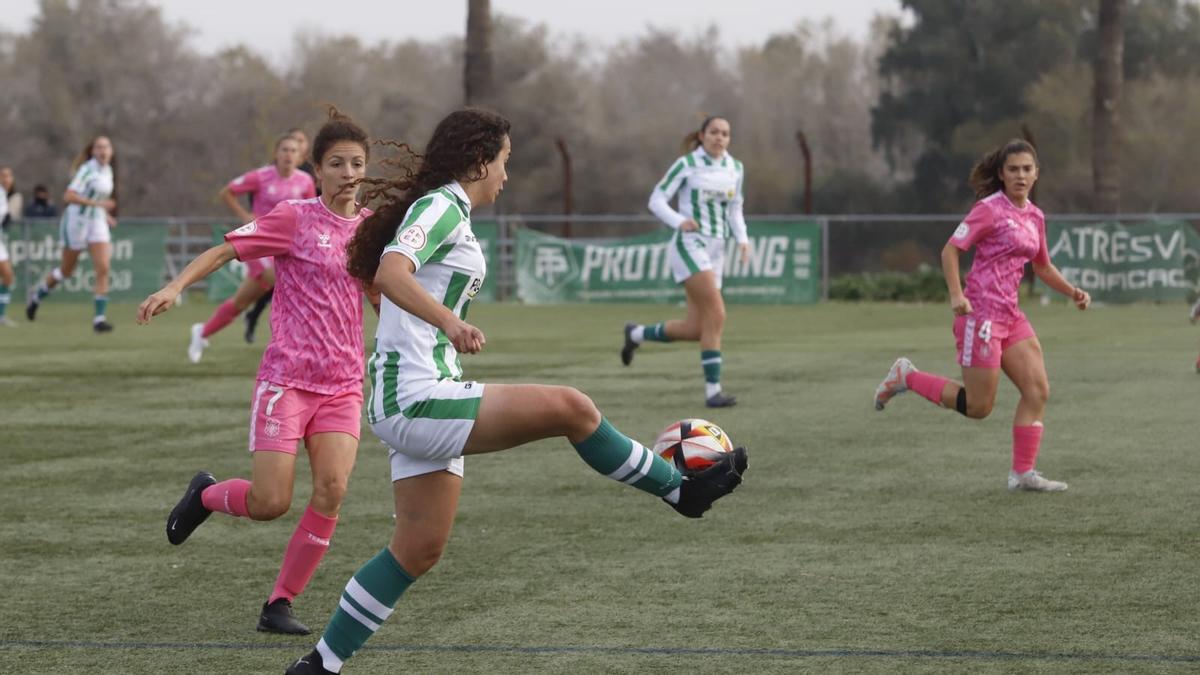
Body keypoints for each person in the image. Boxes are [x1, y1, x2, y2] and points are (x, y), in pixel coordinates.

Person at [283, 108, 748, 675]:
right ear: (480, 160)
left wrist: (427, 325)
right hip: (413, 395)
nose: (506, 174)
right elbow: (392, 272)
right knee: (571, 408)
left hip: (419, 391)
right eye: (505, 161)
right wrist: (450, 325)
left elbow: (393, 280)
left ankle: (318, 665)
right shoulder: (441, 206)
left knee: (418, 550)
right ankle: (680, 490)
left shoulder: (450, 210)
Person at [137, 110, 374, 635]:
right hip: (286, 381)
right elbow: (226, 249)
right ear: (318, 169)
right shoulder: (293, 217)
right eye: (337, 163)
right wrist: (175, 287)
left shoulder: (370, 230)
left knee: (332, 489)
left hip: (343, 385)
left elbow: (385, 294)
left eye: (357, 162)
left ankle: (279, 603)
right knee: (271, 503)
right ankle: (205, 494)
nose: (348, 172)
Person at [873, 139, 1091, 492]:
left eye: (1026, 169)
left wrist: (1073, 292)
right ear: (1002, 175)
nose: (1020, 175)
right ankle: (906, 376)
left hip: (1011, 315)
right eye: (1013, 169)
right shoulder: (989, 210)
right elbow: (950, 250)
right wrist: (957, 294)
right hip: (981, 316)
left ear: (1036, 174)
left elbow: (1043, 266)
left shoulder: (1035, 215)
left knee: (1037, 391)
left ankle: (1022, 474)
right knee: (978, 407)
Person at [621, 116, 750, 408]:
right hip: (690, 245)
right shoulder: (687, 164)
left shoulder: (735, 168)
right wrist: (679, 221)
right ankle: (713, 391)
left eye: (725, 134)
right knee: (717, 314)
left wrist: (743, 238)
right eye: (714, 132)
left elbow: (735, 209)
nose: (720, 138)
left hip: (717, 251)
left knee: (696, 328)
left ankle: (636, 333)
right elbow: (656, 199)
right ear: (702, 135)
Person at [188, 134, 316, 361]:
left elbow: (311, 213)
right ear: (276, 154)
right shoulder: (261, 176)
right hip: (260, 243)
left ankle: (203, 331)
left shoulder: (305, 181)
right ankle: (297, 342)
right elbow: (227, 192)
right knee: (281, 279)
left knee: (241, 303)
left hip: (287, 248)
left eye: (293, 151)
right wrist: (245, 216)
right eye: (284, 149)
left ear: (300, 157)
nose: (288, 154)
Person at [25, 136, 119, 332]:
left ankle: (99, 320)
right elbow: (68, 196)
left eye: (106, 147)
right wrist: (97, 205)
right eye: (99, 147)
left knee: (103, 268)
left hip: (96, 221)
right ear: (93, 151)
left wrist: (104, 215)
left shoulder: (108, 171)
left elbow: (98, 198)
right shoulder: (87, 170)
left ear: (111, 151)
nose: (103, 151)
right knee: (66, 271)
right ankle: (37, 296)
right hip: (76, 222)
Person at [241, 127, 319, 344]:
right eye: (290, 145)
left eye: (301, 142)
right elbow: (253, 193)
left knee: (281, 286)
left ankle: (256, 318)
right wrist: (251, 216)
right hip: (270, 241)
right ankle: (283, 334)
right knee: (280, 286)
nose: (296, 147)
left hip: (299, 239)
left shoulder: (311, 173)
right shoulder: (272, 172)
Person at [0, 170, 14, 326]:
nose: (7, 178)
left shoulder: (3, 194)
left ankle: (1, 315)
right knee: (7, 275)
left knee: (8, 276)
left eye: (9, 176)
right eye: (3, 175)